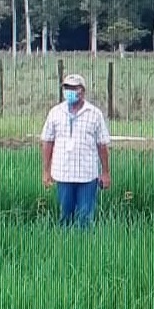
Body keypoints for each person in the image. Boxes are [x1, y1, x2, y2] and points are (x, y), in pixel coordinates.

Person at [40, 73, 112, 228]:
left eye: (74, 88)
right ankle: (66, 247)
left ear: (82, 91)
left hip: (87, 175)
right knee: (65, 216)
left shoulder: (94, 114)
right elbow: (47, 141)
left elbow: (102, 145)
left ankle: (83, 248)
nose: (70, 91)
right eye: (67, 87)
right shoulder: (55, 113)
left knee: (85, 218)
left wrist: (105, 172)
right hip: (63, 173)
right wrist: (46, 171)